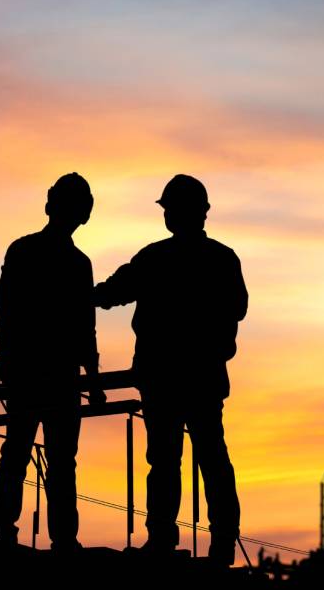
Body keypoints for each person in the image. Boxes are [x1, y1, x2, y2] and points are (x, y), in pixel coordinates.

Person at [96, 174, 247, 565]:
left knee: (167, 460)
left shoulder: (155, 258)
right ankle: (220, 542)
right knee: (208, 456)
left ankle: (165, 538)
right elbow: (238, 309)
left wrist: (71, 295)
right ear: (204, 212)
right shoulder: (220, 259)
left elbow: (110, 294)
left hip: (166, 376)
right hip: (199, 377)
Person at [0, 172, 105, 552]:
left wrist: (8, 357)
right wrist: (93, 380)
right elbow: (82, 328)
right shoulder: (72, 262)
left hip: (38, 372)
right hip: (51, 374)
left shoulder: (27, 251)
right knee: (52, 458)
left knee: (22, 453)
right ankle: (58, 538)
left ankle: (14, 533)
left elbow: (8, 310)